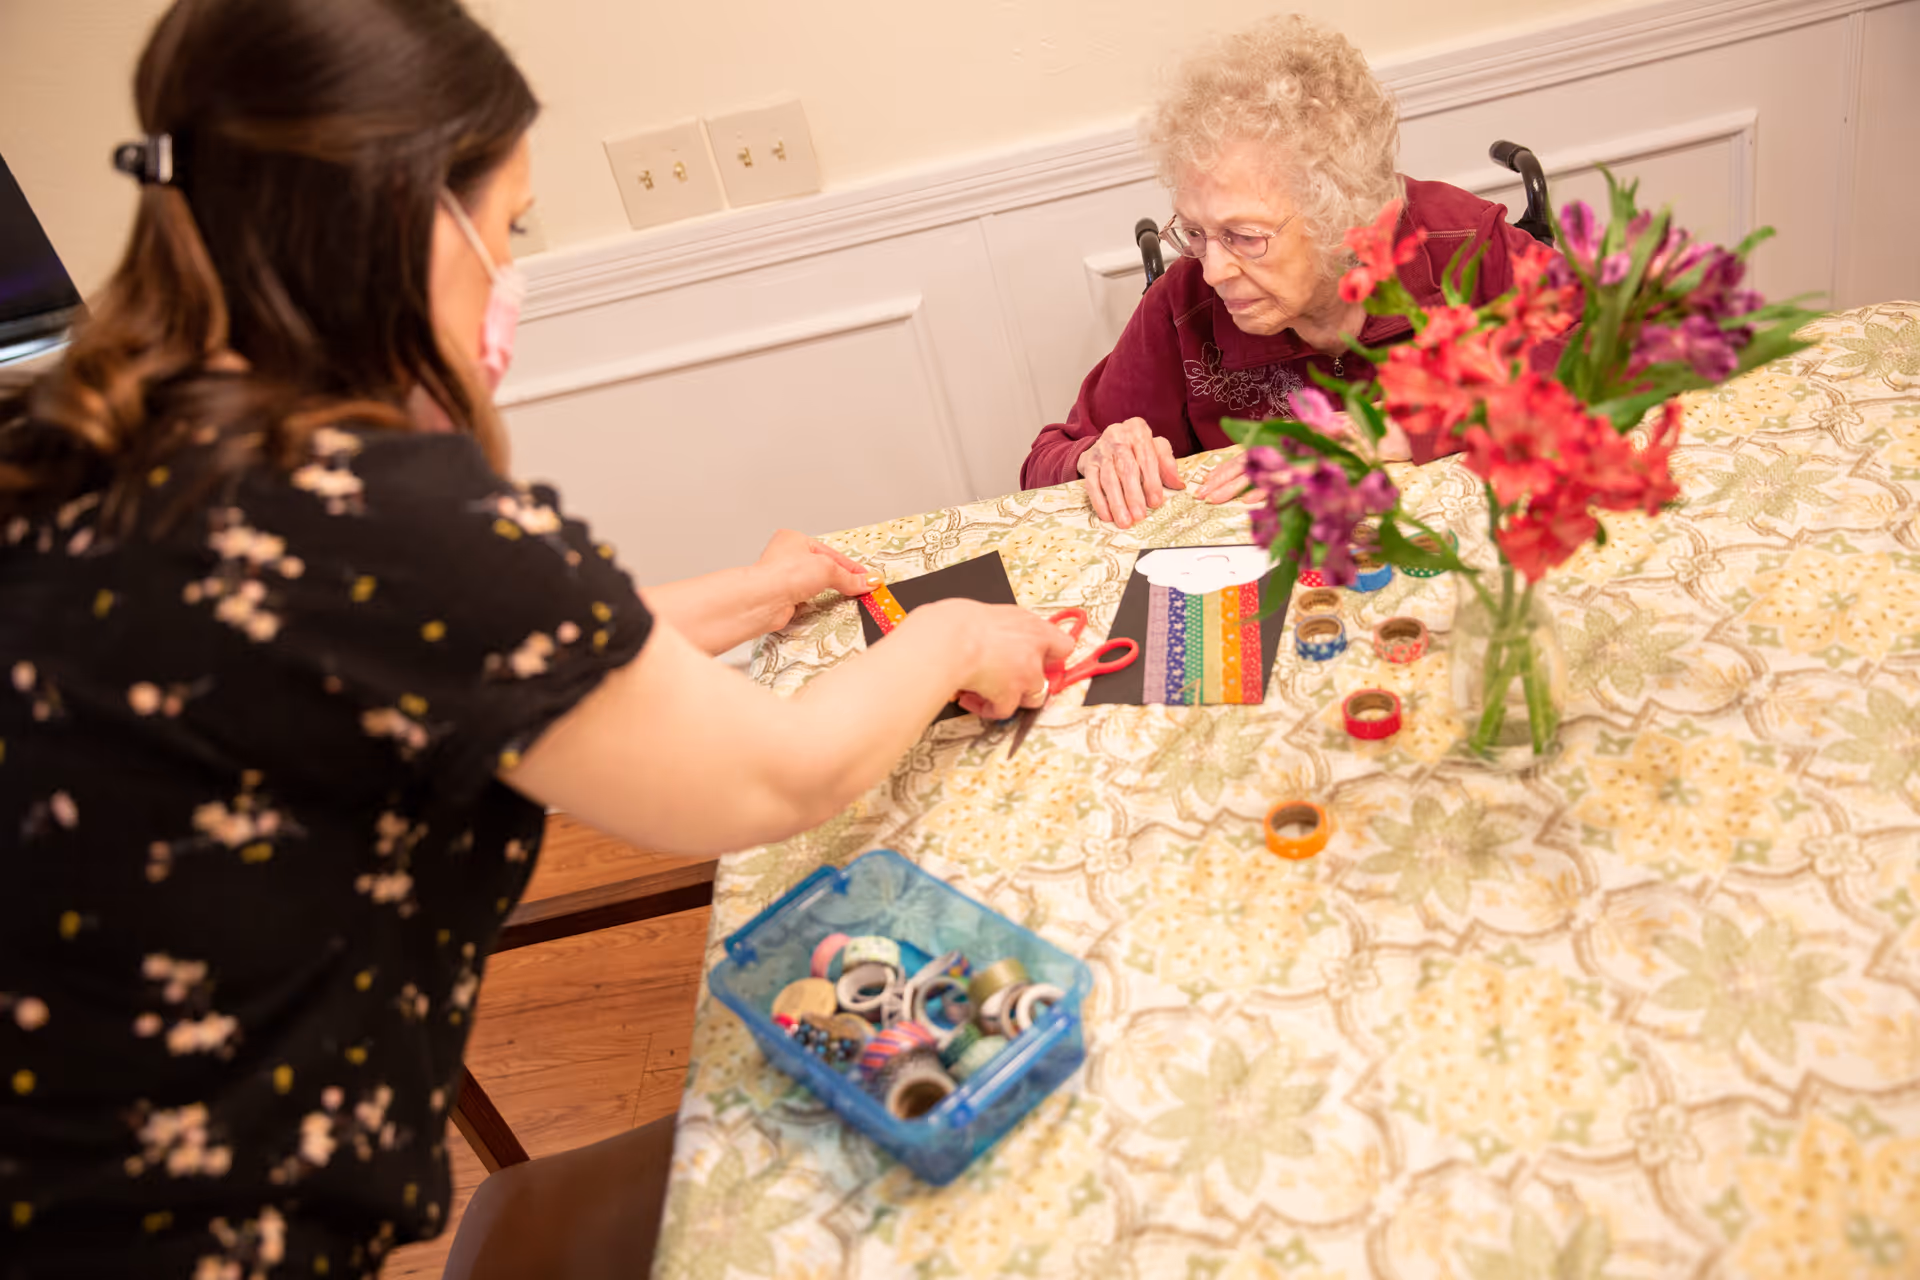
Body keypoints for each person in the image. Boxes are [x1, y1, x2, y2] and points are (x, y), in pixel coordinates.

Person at [0, 1, 1073, 1275]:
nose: (508, 276)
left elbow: (457, 667)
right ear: (403, 217)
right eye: (505, 228)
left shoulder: (86, 434)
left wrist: (749, 591)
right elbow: (779, 772)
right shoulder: (378, 513)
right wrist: (950, 635)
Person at [1021, 14, 1564, 528]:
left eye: (1245, 237)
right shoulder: (1183, 301)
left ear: (1349, 220)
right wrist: (1097, 455)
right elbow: (1044, 462)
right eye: (1194, 232)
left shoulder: (1455, 243)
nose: (1211, 270)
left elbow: (1626, 341)